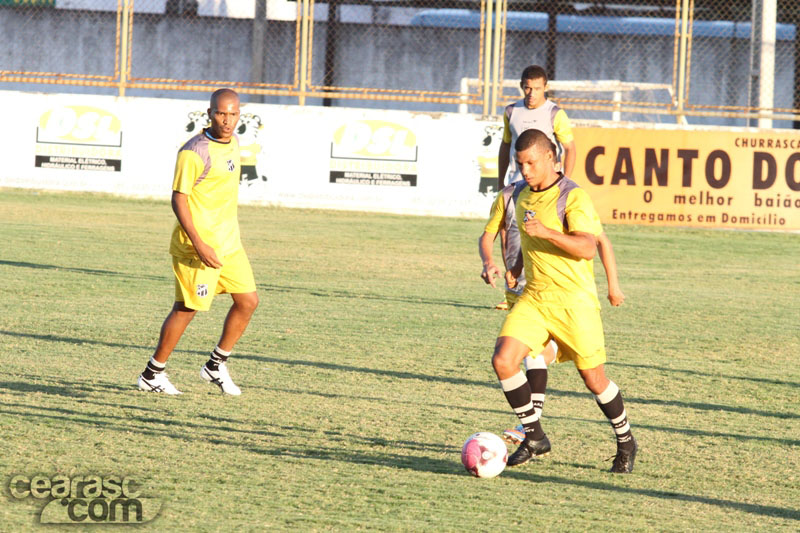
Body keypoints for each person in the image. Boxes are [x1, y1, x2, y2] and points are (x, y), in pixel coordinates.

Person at [486, 128, 637, 473]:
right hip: (536, 299)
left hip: (575, 304)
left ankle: (626, 440)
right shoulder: (522, 195)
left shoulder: (573, 196)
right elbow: (529, 238)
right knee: (504, 360)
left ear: (551, 158)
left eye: (531, 163)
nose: (524, 170)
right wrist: (518, 266)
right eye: (520, 163)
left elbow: (587, 247)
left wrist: (548, 232)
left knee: (594, 379)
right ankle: (535, 436)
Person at [137, 88, 259, 396]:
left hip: (229, 243)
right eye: (220, 113)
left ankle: (215, 365)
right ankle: (152, 374)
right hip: (197, 246)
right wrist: (200, 243)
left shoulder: (234, 142)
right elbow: (179, 199)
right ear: (209, 113)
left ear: (239, 115)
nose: (227, 120)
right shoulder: (194, 151)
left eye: (232, 114)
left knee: (248, 302)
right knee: (187, 308)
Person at [493, 65, 576, 310]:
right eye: (527, 88)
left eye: (537, 88)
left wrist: (564, 182)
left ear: (545, 87)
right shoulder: (511, 111)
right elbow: (505, 146)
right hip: (518, 185)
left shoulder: (554, 114)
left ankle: (538, 293)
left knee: (542, 236)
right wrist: (501, 181)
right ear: (521, 86)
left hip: (547, 188)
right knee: (509, 234)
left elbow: (570, 148)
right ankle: (512, 293)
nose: (531, 93)